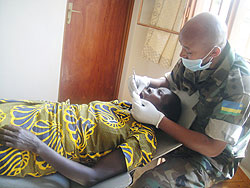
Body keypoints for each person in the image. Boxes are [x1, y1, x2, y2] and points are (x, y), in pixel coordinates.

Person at [128, 12, 250, 187]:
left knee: (150, 184)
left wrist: (159, 120)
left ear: (214, 52)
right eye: (182, 46)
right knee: (125, 139)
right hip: (180, 128)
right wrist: (146, 81)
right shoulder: (196, 56)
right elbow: (171, 82)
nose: (181, 54)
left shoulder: (239, 88)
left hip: (209, 156)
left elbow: (213, 147)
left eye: (188, 51)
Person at [0, 87, 181, 187]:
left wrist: (35, 145)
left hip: (34, 141)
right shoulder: (125, 106)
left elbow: (91, 177)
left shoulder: (144, 139)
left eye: (160, 94)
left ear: (161, 115)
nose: (151, 89)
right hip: (31, 111)